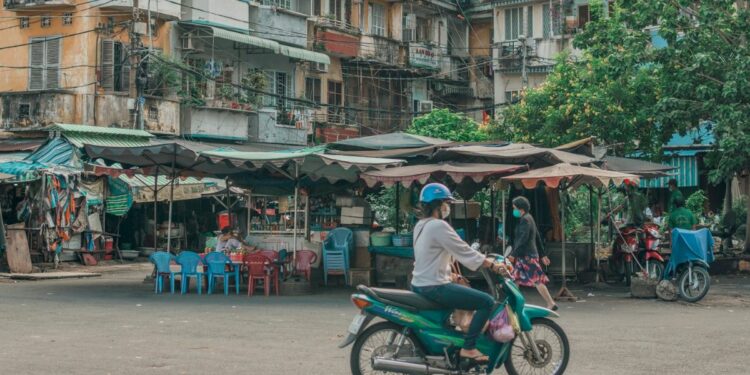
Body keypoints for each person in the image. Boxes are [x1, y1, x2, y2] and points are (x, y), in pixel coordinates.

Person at [410, 183, 505, 364]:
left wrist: (449, 272)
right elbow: (465, 251)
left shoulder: (421, 225)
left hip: (421, 283)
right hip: (434, 286)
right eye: (446, 203)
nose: (448, 207)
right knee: (486, 301)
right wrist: (492, 265)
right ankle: (469, 348)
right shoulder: (438, 226)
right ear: (437, 205)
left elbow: (436, 254)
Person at [506, 196, 558, 311]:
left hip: (527, 256)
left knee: (537, 279)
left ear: (521, 209)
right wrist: (543, 254)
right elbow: (537, 237)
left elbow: (523, 239)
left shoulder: (525, 220)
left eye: (514, 208)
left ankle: (551, 302)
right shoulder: (529, 218)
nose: (513, 210)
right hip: (524, 255)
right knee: (515, 279)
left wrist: (513, 254)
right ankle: (514, 302)